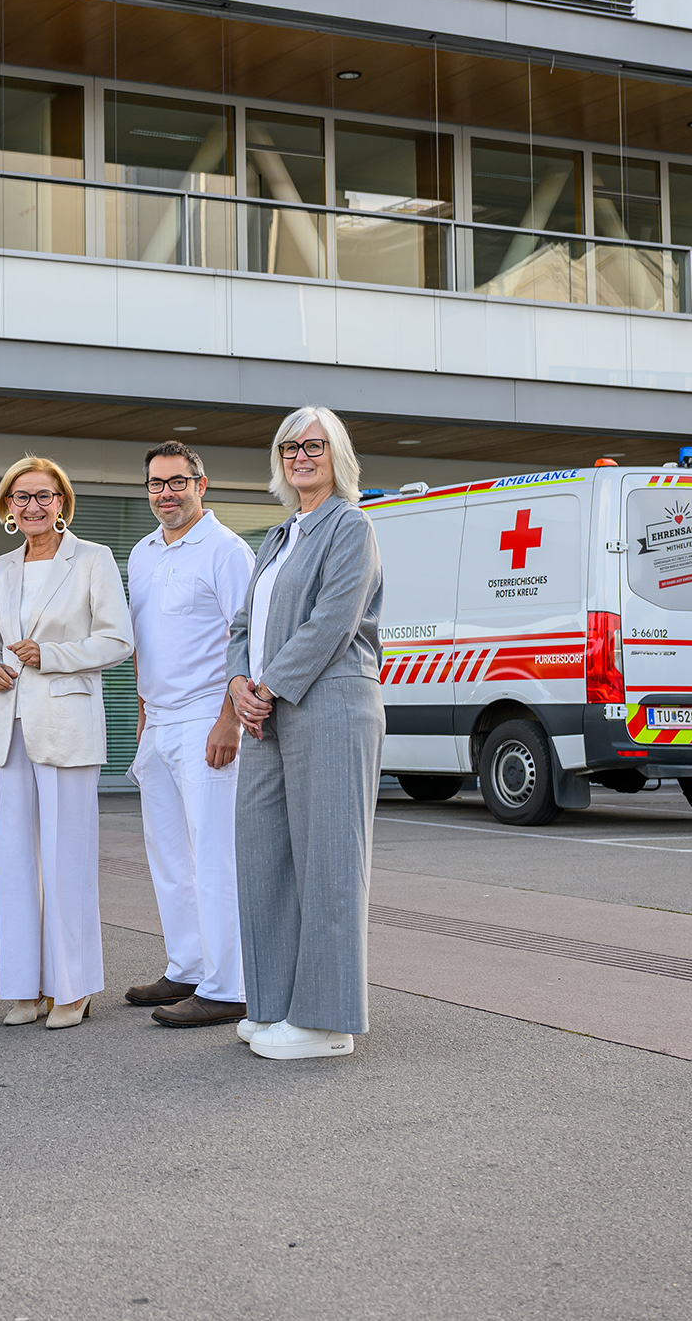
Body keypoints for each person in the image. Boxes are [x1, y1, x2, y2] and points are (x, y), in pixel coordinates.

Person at [226, 406, 385, 1061]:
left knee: (327, 864)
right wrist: (239, 683)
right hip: (267, 711)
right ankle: (276, 1006)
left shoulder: (350, 527)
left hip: (330, 705)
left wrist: (267, 687)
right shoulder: (278, 536)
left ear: (337, 454)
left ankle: (326, 1023)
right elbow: (243, 624)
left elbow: (332, 622)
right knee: (262, 856)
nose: (301, 456)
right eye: (290, 447)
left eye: (314, 445)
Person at [0, 457, 134, 1030]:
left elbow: (118, 639)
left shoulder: (92, 559)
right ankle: (25, 985)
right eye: (21, 497)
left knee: (66, 859)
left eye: (44, 496)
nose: (33, 506)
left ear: (62, 502)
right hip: (11, 726)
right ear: (8, 508)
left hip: (68, 725)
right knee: (16, 861)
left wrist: (52, 656)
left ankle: (72, 987)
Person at [124, 441, 256, 1029]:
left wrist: (230, 719)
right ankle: (187, 966)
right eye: (155, 483)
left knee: (214, 857)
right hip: (159, 721)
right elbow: (142, 641)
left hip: (208, 716)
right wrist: (142, 712)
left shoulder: (227, 551)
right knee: (170, 854)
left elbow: (248, 637)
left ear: (202, 485)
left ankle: (229, 986)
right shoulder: (143, 553)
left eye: (177, 482)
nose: (165, 493)